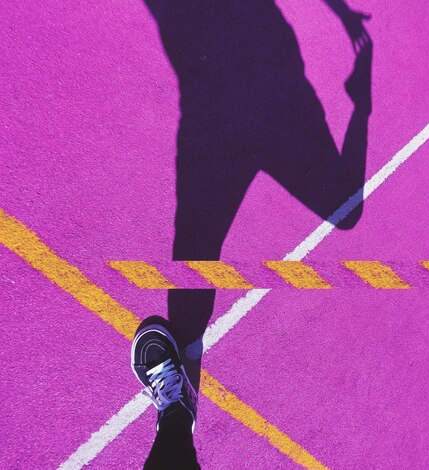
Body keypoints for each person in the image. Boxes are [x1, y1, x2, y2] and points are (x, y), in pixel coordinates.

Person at [132, 0, 372, 467]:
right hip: (270, 91)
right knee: (342, 213)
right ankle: (179, 418)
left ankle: (177, 421)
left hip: (215, 105)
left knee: (194, 249)